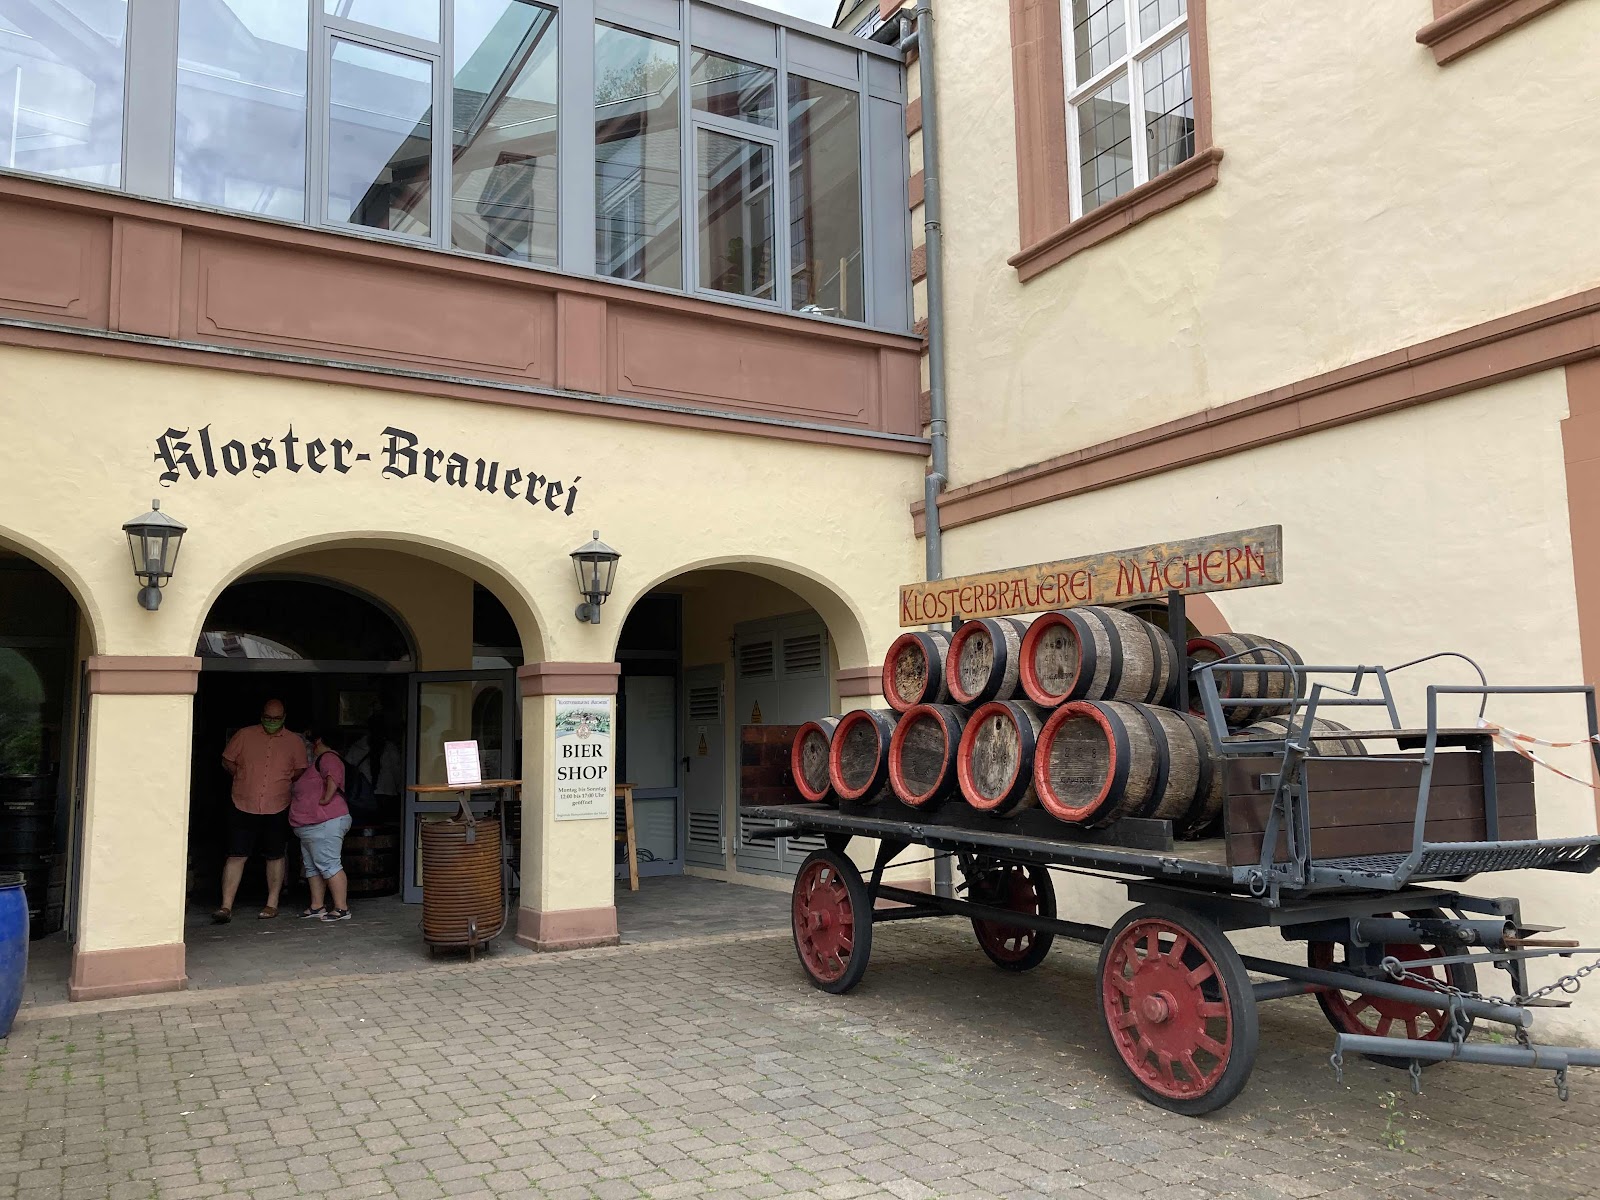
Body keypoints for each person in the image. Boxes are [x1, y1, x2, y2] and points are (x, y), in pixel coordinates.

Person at [216, 698, 303, 922]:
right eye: (267, 718)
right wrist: (242, 776)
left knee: (275, 855)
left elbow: (299, 770)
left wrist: (279, 782)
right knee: (236, 854)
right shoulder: (244, 735)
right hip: (242, 802)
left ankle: (272, 904)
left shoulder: (294, 741)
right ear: (261, 715)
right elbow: (227, 760)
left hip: (277, 805)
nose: (271, 722)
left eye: (276, 719)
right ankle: (225, 906)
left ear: (284, 718)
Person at [289, 727, 353, 923]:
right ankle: (317, 905)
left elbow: (333, 776)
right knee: (313, 867)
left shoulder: (328, 757)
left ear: (320, 741)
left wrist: (326, 798)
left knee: (329, 864)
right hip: (311, 824)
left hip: (325, 821)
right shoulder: (319, 760)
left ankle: (342, 908)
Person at [345, 715, 402, 819]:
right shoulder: (391, 749)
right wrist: (400, 790)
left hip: (362, 794)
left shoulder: (357, 747)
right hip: (386, 793)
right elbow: (397, 772)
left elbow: (348, 770)